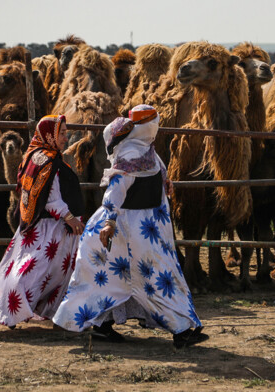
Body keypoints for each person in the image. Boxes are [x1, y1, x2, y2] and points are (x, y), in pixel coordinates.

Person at [52, 105, 207, 348]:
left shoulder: (148, 151)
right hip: (128, 229)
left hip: (148, 229)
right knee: (151, 276)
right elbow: (116, 189)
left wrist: (165, 183)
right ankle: (181, 330)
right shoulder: (131, 155)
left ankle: (109, 327)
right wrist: (110, 222)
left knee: (134, 277)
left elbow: (158, 176)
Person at [0, 115, 86, 328]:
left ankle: (36, 311)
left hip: (46, 230)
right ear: (49, 135)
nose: (65, 137)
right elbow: (50, 196)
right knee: (33, 272)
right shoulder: (46, 160)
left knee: (42, 273)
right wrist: (69, 218)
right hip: (48, 231)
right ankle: (10, 310)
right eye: (61, 133)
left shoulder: (40, 155)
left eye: (65, 132)